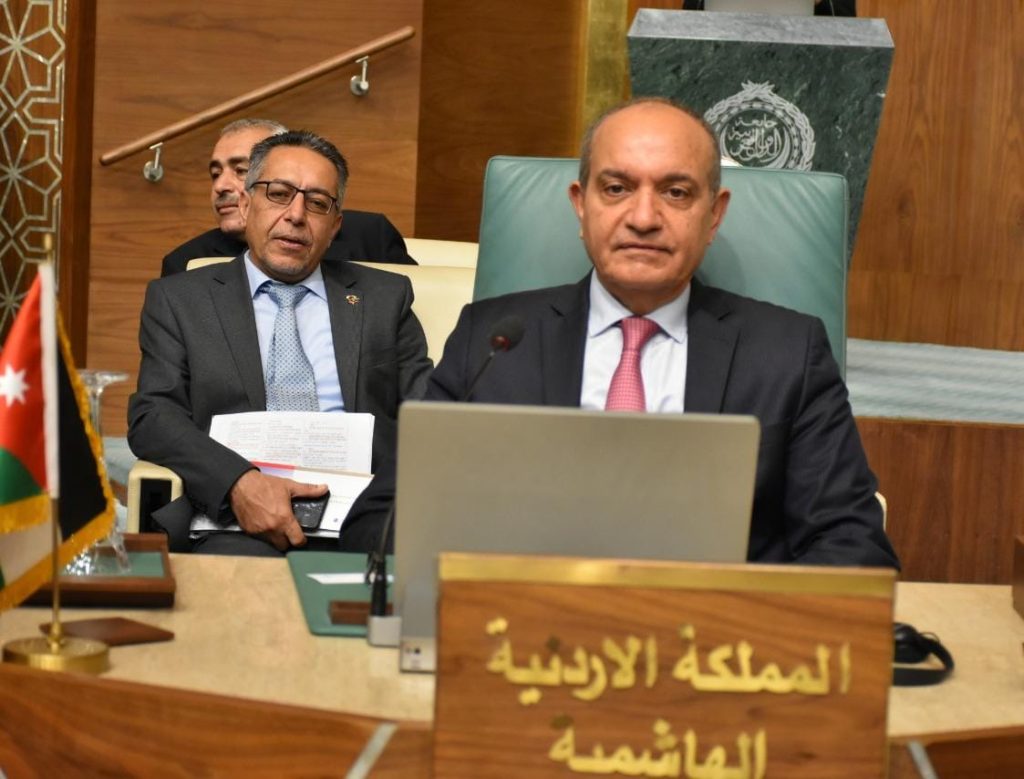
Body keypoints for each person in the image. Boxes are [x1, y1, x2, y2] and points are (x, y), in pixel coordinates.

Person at [342, 98, 897, 569]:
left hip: (714, 639)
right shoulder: (493, 342)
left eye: (676, 192)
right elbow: (381, 520)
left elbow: (853, 545)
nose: (644, 217)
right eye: (616, 188)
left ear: (715, 214)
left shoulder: (787, 353)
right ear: (580, 206)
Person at [129, 130, 432, 557]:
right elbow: (154, 415)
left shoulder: (384, 297)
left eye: (318, 203)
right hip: (236, 518)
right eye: (279, 194)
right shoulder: (181, 300)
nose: (296, 215)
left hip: (366, 514)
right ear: (246, 204)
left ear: (335, 225)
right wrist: (238, 483)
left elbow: (429, 413)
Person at [161, 118, 416, 276]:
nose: (220, 186)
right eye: (215, 174)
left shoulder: (369, 235)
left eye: (241, 170)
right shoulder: (187, 263)